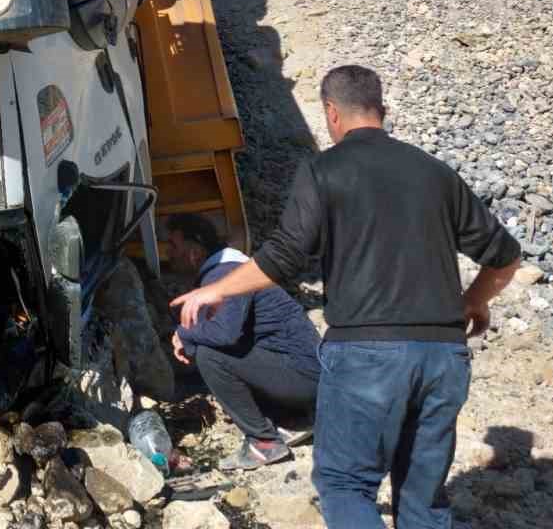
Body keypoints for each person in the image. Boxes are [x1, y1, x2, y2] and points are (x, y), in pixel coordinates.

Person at [171, 65, 521, 529]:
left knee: (344, 484)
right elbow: (506, 255)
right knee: (422, 501)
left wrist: (216, 287)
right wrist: (475, 300)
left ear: (331, 113)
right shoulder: (435, 172)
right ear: (383, 110)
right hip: (443, 354)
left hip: (367, 354)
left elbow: (284, 255)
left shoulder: (323, 170)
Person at [159, 212, 321, 470]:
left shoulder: (226, 274)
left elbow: (223, 334)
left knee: (210, 355)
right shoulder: (228, 270)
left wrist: (184, 334)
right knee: (212, 351)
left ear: (195, 253)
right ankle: (293, 419)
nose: (168, 253)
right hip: (303, 375)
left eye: (173, 246)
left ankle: (264, 443)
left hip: (306, 379)